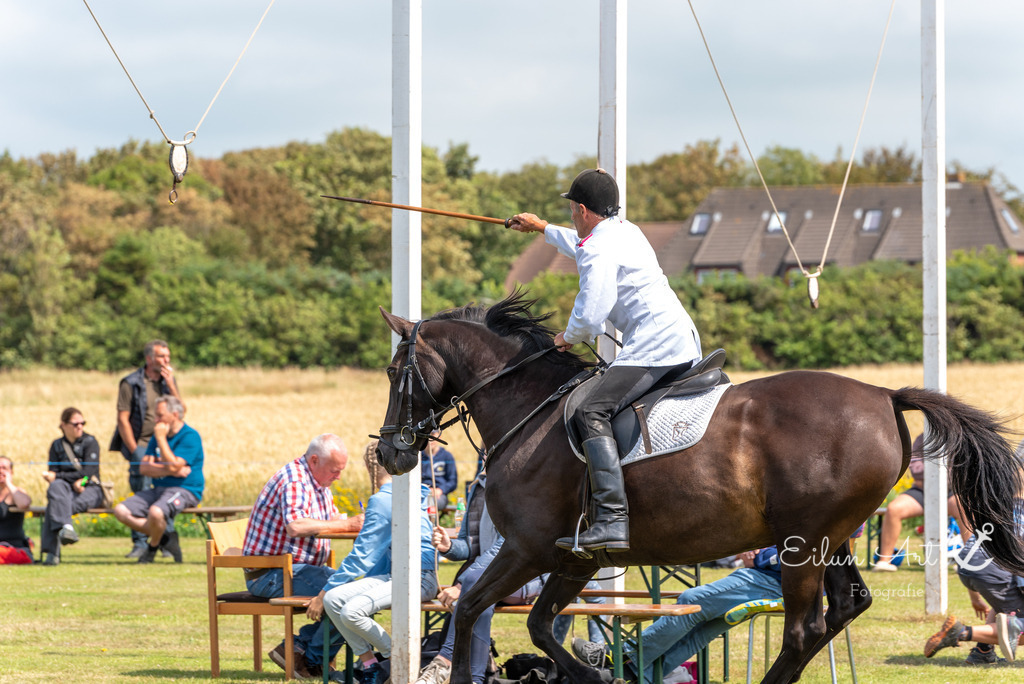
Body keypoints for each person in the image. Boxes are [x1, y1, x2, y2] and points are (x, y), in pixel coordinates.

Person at [509, 168, 702, 552]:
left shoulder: (598, 247)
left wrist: (568, 336)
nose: (571, 218)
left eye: (570, 211)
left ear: (582, 209)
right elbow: (582, 245)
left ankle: (612, 519)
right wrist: (542, 228)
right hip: (681, 340)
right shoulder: (625, 230)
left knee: (589, 411)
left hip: (654, 346)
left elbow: (593, 312)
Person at [414, 472, 606, 684]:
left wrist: (462, 584)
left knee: (474, 588)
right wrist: (448, 547)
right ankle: (474, 678)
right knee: (479, 597)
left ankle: (445, 662)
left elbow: (503, 546)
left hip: (526, 578)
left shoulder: (521, 484)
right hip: (489, 577)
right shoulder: (478, 487)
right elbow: (471, 545)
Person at [304, 439, 438, 684]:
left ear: (371, 467)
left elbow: (362, 556)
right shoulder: (406, 493)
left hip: (417, 578)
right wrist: (333, 593)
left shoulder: (383, 499)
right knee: (337, 601)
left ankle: (398, 660)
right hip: (398, 574)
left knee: (349, 610)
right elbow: (374, 558)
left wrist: (322, 593)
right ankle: (371, 665)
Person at [572, 547, 783, 684]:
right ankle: (635, 676)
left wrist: (759, 557)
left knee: (691, 601)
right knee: (702, 630)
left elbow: (795, 550)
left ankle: (620, 654)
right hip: (774, 578)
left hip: (773, 578)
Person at [246, 434, 363, 679]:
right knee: (350, 597)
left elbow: (331, 519)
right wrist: (347, 524)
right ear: (314, 460)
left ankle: (297, 649)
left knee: (359, 594)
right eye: (334, 470)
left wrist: (357, 523)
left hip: (299, 570)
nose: (338, 476)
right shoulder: (295, 481)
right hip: (273, 573)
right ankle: (309, 658)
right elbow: (296, 526)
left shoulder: (318, 483)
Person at [110, 339, 184, 559]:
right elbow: (123, 420)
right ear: (149, 358)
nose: (166, 361)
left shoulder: (167, 382)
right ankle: (141, 543)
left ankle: (164, 541)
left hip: (166, 444)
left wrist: (171, 385)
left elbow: (181, 411)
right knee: (142, 489)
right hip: (142, 443)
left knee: (166, 489)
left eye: (168, 357)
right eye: (162, 357)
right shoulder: (131, 382)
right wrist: (135, 451)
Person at [924, 511, 1024, 664]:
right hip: (991, 565)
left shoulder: (1007, 503)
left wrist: (974, 598)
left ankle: (982, 651)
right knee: (1017, 626)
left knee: (1009, 602)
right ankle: (960, 632)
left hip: (968, 562)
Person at [112, 395, 203, 563]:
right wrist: (172, 469)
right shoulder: (157, 435)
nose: (156, 419)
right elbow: (144, 468)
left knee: (156, 512)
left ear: (175, 414)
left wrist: (161, 441)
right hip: (159, 489)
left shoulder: (190, 436)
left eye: (160, 415)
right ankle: (165, 538)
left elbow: (174, 465)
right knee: (120, 511)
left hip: (186, 490)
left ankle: (152, 548)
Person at [873, 433, 971, 572]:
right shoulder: (921, 439)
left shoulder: (959, 437)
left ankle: (970, 560)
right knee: (894, 509)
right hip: (922, 491)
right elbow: (915, 468)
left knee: (964, 508)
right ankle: (884, 561)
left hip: (950, 492)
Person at [39, 408, 105, 566]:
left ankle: (51, 554)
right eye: (75, 424)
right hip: (64, 490)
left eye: (82, 423)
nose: (80, 427)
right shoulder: (57, 445)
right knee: (56, 488)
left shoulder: (90, 442)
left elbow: (90, 472)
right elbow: (53, 473)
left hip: (90, 488)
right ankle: (67, 528)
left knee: (55, 505)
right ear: (64, 425)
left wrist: (81, 482)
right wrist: (64, 479)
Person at [0, 455, 33, 562]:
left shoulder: (16, 493)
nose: (0, 471)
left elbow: (24, 503)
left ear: (11, 472)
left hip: (13, 548)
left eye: (4, 468)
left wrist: (9, 483)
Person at [421, 429, 458, 512]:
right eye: (427, 437)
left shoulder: (447, 456)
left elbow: (453, 481)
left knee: (432, 503)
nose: (430, 441)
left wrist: (440, 490)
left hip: (439, 495)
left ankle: (431, 523)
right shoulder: (419, 457)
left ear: (439, 437)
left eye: (433, 437)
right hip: (422, 492)